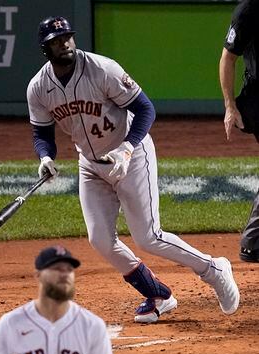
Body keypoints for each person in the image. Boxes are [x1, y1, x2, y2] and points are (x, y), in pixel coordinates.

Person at [27, 15, 240, 324]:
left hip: (132, 155)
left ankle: (213, 269)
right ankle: (157, 295)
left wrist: (126, 149)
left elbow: (145, 109)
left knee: (148, 236)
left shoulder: (102, 69)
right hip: (90, 164)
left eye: (68, 37)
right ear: (45, 49)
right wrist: (45, 158)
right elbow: (42, 133)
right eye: (57, 41)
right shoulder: (38, 88)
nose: (66, 43)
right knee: (100, 238)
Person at [219, 0, 259, 263]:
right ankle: (252, 241)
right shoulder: (249, 9)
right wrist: (230, 106)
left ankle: (253, 242)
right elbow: (228, 58)